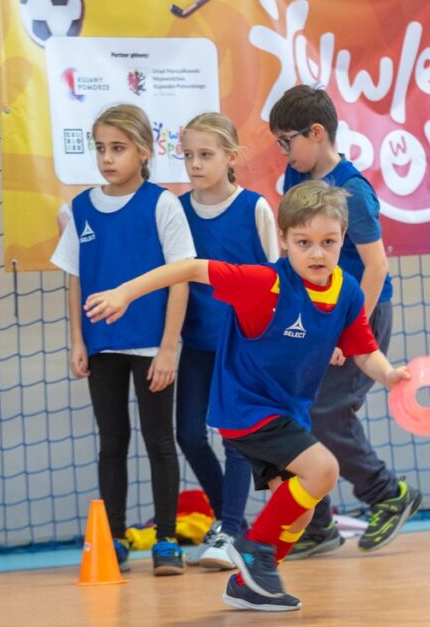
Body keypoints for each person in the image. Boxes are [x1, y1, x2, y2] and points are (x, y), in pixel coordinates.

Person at [83, 181, 410, 611]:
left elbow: (362, 347)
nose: (316, 253)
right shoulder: (264, 283)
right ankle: (255, 552)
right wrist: (125, 292)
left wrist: (388, 375)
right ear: (285, 239)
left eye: (328, 242)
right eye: (304, 242)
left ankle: (249, 583)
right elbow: (188, 267)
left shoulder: (347, 290)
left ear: (343, 239)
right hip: (246, 408)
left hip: (288, 413)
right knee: (324, 470)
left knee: (304, 510)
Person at [270, 85, 422, 558]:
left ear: (316, 133)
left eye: (286, 140)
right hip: (317, 320)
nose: (283, 151)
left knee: (326, 413)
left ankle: (386, 494)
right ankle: (318, 524)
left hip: (361, 317)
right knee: (297, 413)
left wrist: (344, 328)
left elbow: (376, 268)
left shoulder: (352, 192)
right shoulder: (295, 182)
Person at [50, 103, 194, 576]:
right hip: (102, 346)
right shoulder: (81, 208)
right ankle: (112, 536)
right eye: (100, 148)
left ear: (144, 152)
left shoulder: (163, 203)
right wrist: (77, 339)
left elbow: (181, 278)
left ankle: (167, 540)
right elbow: (74, 278)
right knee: (111, 441)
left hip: (153, 346)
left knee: (159, 440)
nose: (107, 158)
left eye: (118, 148)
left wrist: (170, 346)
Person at [176, 113, 280, 570]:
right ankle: (228, 520)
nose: (195, 165)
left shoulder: (254, 208)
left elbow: (279, 278)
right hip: (196, 342)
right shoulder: (175, 210)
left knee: (236, 438)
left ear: (231, 157)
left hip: (243, 345)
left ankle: (231, 529)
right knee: (189, 434)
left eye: (205, 155)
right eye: (188, 156)